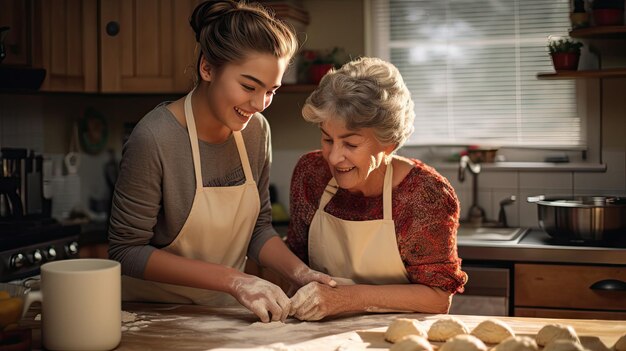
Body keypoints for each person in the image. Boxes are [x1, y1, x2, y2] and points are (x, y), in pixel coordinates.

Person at [108, 0, 334, 323]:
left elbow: (258, 230)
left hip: (221, 313)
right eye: (248, 86)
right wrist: (234, 280)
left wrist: (301, 273)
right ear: (208, 69)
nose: (260, 104)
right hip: (148, 315)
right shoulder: (154, 138)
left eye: (271, 91)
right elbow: (126, 251)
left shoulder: (257, 131)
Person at [286, 57, 468, 321]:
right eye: (327, 139)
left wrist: (348, 299)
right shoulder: (311, 173)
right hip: (316, 335)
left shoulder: (424, 194)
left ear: (388, 144)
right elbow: (295, 262)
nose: (334, 157)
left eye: (350, 144)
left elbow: (438, 298)